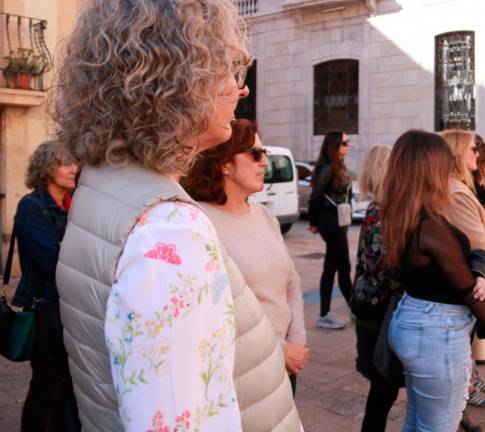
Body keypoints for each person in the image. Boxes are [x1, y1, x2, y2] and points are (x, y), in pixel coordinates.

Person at [52, 1, 301, 430]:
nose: (240, 88)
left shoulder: (105, 182)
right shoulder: (168, 229)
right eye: (226, 68)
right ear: (177, 81)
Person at [382, 130, 485, 432]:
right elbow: (469, 292)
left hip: (418, 321)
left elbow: (448, 270)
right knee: (437, 426)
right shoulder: (430, 224)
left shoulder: (406, 213)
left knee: (419, 421)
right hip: (436, 331)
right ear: (431, 167)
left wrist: (476, 272)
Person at [181, 119, 310, 394]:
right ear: (224, 163)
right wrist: (279, 350)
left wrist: (297, 339)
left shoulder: (265, 216)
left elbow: (292, 281)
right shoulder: (199, 221)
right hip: (244, 371)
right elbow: (217, 311)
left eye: (265, 154)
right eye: (255, 154)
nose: (264, 162)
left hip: (286, 365)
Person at [12, 142, 80, 431]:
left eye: (74, 163)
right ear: (47, 168)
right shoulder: (31, 206)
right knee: (47, 383)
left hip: (69, 304)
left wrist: (69, 248)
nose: (74, 169)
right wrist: (73, 250)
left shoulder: (75, 204)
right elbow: (50, 258)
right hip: (44, 306)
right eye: (66, 164)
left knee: (68, 383)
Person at [441, 130, 485, 412]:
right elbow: (477, 239)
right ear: (456, 153)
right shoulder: (455, 190)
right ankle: (466, 388)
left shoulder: (461, 186)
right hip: (469, 275)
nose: (477, 155)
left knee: (466, 338)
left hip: (473, 272)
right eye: (472, 149)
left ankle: (471, 381)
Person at [349, 144, 405, 432]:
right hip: (379, 313)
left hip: (371, 308)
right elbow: (386, 270)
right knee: (384, 389)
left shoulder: (378, 209)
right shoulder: (383, 213)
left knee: (384, 390)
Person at [309, 131, 353, 330]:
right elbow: (315, 197)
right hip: (330, 220)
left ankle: (324, 314)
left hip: (339, 220)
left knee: (331, 266)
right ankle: (354, 308)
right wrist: (314, 222)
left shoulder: (338, 166)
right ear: (335, 145)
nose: (348, 145)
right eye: (345, 142)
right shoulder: (328, 168)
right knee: (343, 266)